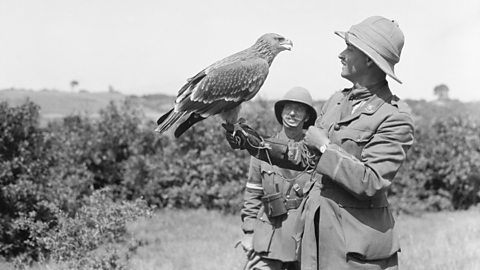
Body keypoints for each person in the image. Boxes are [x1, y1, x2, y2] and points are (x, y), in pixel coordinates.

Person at [225, 16, 414, 270]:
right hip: (314, 243)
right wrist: (255, 145)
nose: (341, 54)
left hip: (355, 255)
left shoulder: (394, 117)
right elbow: (304, 156)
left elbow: (372, 181)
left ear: (369, 59)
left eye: (350, 48)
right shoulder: (336, 102)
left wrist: (326, 146)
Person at [236, 87, 318, 270]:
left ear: (306, 117)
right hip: (270, 231)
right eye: (288, 107)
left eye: (299, 109)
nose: (292, 113)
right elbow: (253, 194)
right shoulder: (262, 149)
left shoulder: (314, 153)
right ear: (280, 112)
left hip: (303, 234)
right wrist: (249, 232)